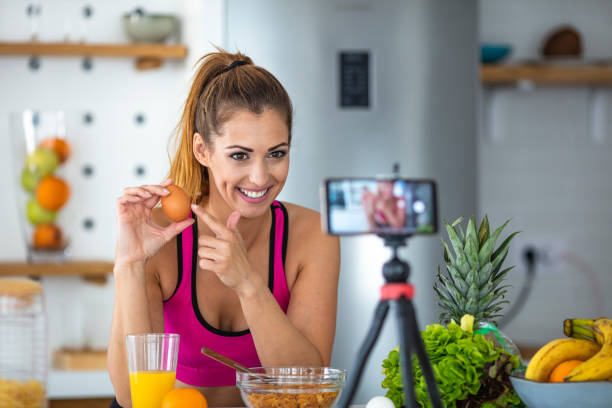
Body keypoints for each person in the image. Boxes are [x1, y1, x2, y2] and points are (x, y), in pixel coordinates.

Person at [107, 49, 341, 408]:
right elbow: (130, 396)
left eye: (276, 153)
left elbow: (306, 393)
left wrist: (249, 284)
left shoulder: (313, 236)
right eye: (239, 155)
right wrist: (129, 265)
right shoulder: (160, 236)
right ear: (202, 150)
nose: (260, 177)